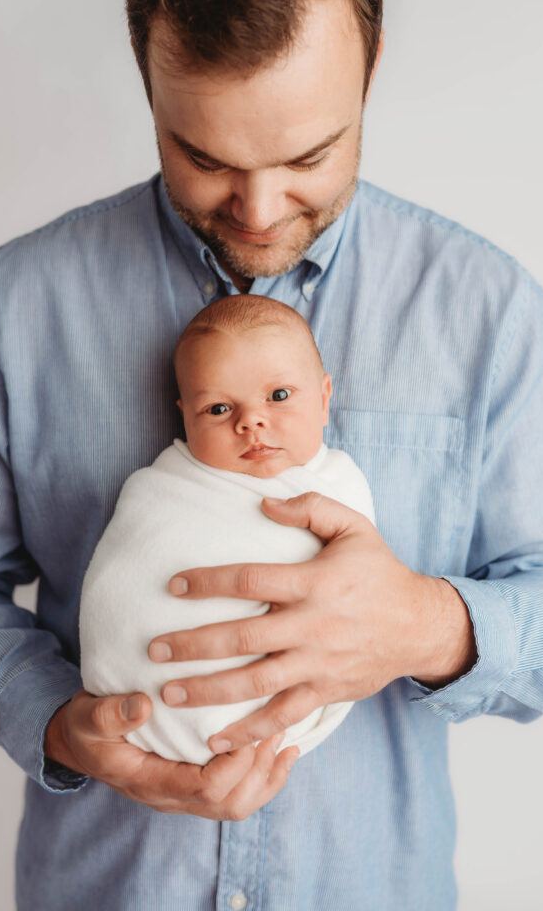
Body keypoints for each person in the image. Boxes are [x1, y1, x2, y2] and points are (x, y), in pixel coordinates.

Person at [0, 0, 543, 908]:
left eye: (307, 157)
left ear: (370, 71)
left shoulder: (484, 309)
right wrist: (58, 723)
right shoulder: (16, 308)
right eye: (202, 157)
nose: (255, 208)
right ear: (148, 81)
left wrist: (423, 623)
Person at [79, 294, 376, 765]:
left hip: (283, 716)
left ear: (324, 399)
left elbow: (368, 595)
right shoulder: (170, 486)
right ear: (184, 415)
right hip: (137, 707)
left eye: (279, 396)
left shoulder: (339, 483)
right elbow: (127, 576)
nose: (251, 421)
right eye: (218, 409)